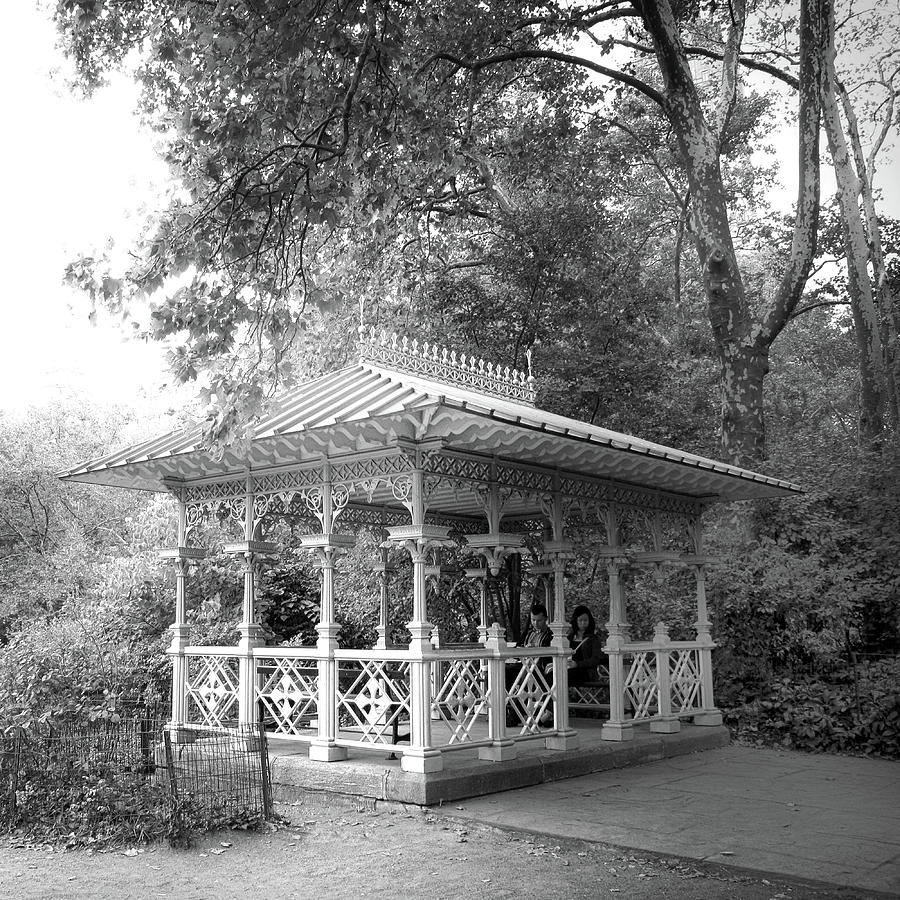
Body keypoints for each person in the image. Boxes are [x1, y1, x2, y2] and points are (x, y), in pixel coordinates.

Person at [505, 603, 553, 726]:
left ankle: (515, 715)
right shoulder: (528, 633)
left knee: (527, 677)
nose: (536, 623)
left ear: (546, 619)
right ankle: (500, 710)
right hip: (524, 665)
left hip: (541, 669)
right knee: (503, 672)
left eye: (539, 620)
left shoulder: (550, 635)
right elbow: (517, 649)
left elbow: (548, 655)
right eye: (533, 620)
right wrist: (524, 649)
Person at [566, 604, 604, 687]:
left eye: (585, 620)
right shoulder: (569, 637)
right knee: (553, 675)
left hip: (586, 672)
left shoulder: (593, 638)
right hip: (568, 669)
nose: (583, 623)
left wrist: (577, 664)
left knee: (564, 676)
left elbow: (595, 659)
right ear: (575, 621)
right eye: (580, 620)